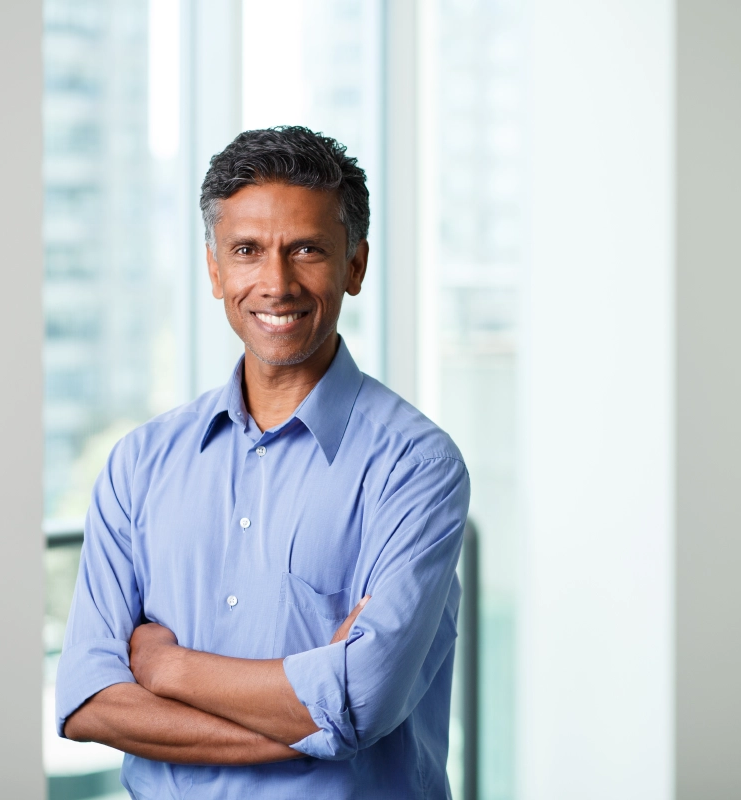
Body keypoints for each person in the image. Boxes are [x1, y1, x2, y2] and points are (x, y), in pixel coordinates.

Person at [57, 126, 470, 799]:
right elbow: (87, 702)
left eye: (306, 250)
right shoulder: (140, 462)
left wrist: (166, 669)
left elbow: (362, 700)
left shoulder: (416, 466)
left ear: (355, 266)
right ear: (216, 269)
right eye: (247, 251)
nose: (275, 284)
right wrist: (313, 713)